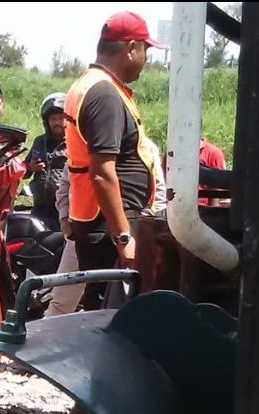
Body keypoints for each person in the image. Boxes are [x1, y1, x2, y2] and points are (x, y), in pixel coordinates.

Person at [63, 11, 164, 310]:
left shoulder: (90, 84)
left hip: (97, 220)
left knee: (103, 314)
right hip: (109, 226)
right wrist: (123, 237)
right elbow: (103, 172)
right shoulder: (104, 93)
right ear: (131, 48)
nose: (147, 59)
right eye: (146, 50)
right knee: (113, 320)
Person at [25, 92, 68, 231]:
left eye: (61, 118)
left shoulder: (76, 144)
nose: (57, 122)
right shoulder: (39, 142)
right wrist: (31, 167)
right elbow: (24, 172)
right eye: (53, 118)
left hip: (65, 208)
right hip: (40, 207)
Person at [198, 137, 227, 206]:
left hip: (203, 209)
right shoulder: (173, 153)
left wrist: (213, 212)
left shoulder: (213, 153)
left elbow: (219, 187)